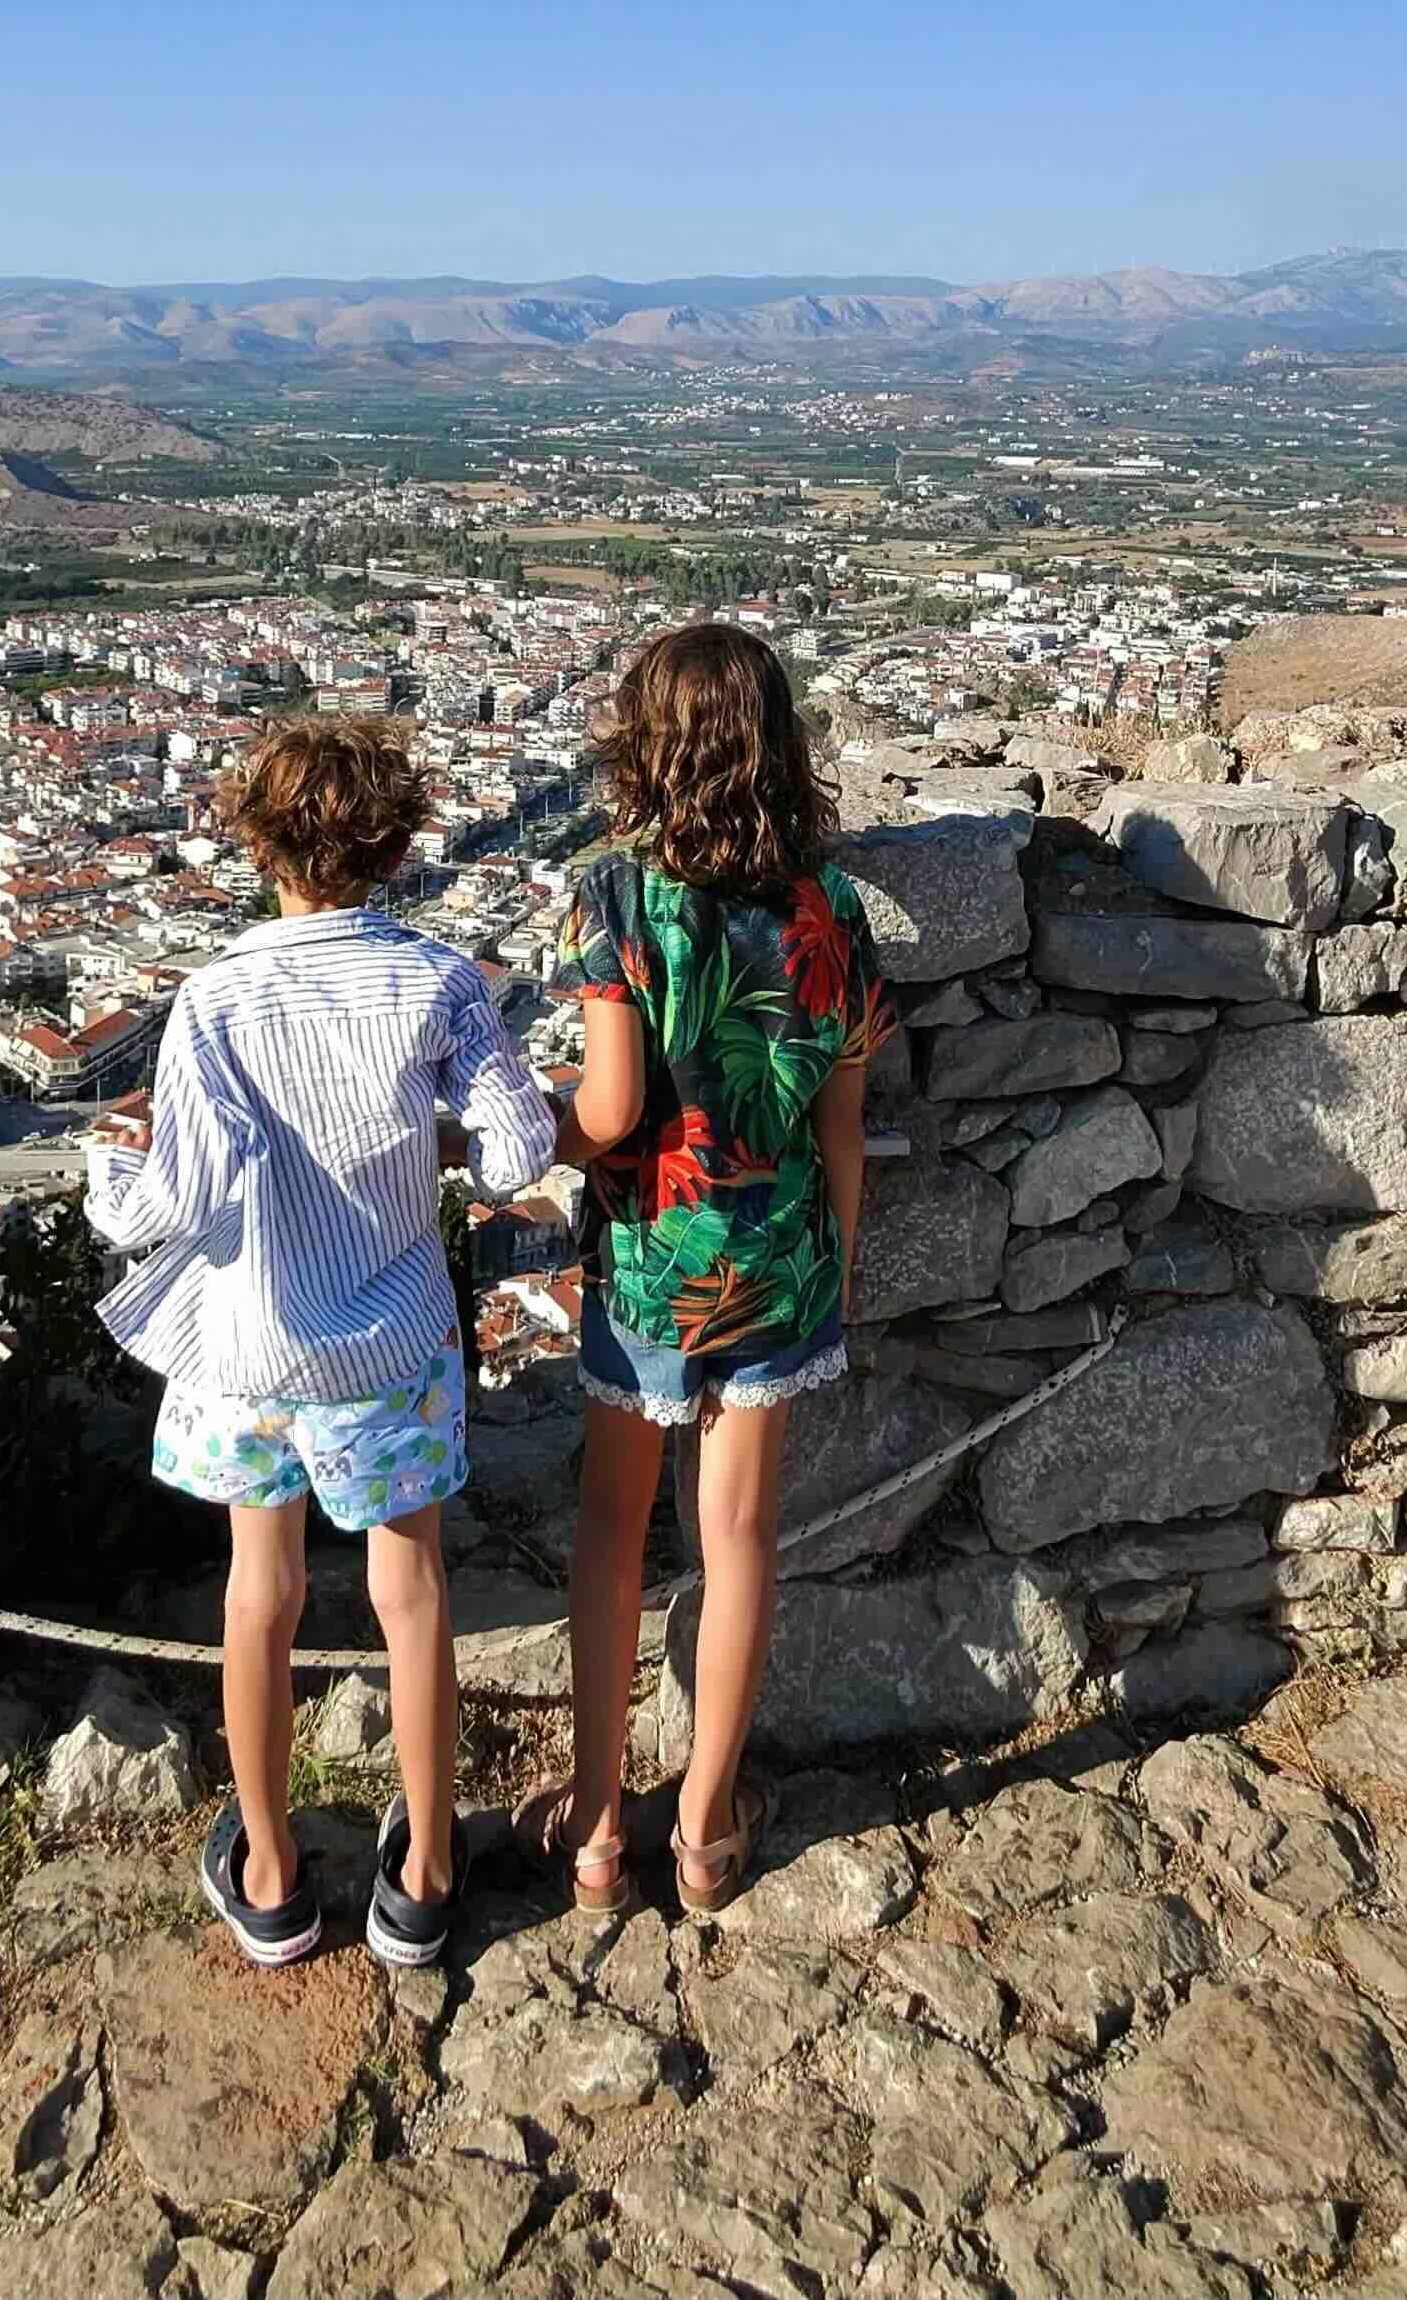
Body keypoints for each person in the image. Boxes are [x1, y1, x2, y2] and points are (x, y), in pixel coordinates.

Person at [83, 715, 555, 1970]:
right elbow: (516, 1150)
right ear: (395, 846)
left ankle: (277, 1874)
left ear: (257, 842)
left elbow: (170, 1195)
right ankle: (426, 1875)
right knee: (412, 1596)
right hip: (389, 1340)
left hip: (251, 1344)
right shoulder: (438, 978)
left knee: (262, 1595)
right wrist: (432, 1145)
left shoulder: (217, 997)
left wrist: (99, 1180)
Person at [520, 622, 890, 1917]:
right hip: (780, 1257)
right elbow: (843, 1123)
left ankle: (593, 1821)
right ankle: (709, 1822)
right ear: (777, 746)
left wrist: (524, 1129)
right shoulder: (829, 908)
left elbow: (614, 1110)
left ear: (647, 749)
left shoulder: (616, 895)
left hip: (647, 1266)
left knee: (615, 1529)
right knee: (736, 1541)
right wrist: (830, 1271)